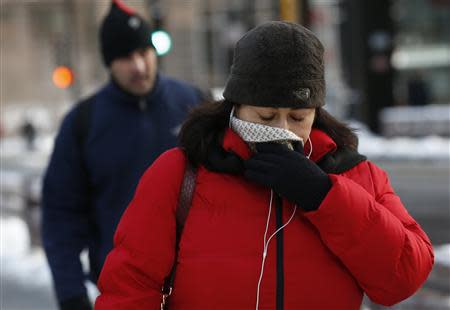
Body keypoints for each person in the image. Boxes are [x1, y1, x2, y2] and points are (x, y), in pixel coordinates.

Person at [95, 21, 434, 309]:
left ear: (316, 113)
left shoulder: (354, 174)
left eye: (298, 117)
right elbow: (128, 288)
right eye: (266, 116)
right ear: (236, 106)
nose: (281, 129)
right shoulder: (180, 173)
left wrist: (326, 197)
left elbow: (403, 277)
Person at [41, 1, 204, 309]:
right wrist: (70, 294)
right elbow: (60, 215)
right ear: (109, 63)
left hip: (197, 283)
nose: (139, 66)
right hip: (124, 291)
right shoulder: (83, 123)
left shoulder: (194, 104)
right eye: (126, 58)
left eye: (144, 53)